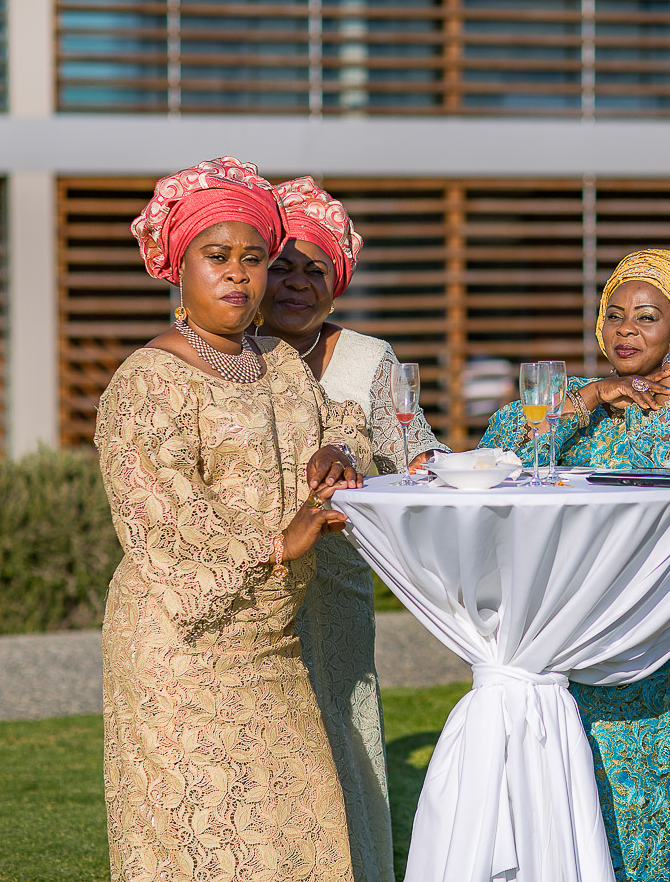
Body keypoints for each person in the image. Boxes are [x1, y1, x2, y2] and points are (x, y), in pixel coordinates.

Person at [96, 157, 371, 882]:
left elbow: (342, 418)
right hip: (179, 650)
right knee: (207, 846)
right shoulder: (149, 378)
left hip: (271, 647)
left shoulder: (278, 361)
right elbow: (157, 517)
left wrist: (337, 449)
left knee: (301, 835)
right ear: (176, 267)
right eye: (216, 258)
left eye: (255, 260)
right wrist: (281, 541)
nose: (239, 276)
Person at [480, 248, 670, 881]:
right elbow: (497, 455)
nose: (626, 330)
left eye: (649, 318)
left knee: (658, 814)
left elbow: (669, 463)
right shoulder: (576, 406)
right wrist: (589, 397)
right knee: (576, 799)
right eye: (615, 314)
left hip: (664, 640)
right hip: (570, 635)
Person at [258, 175, 446, 882]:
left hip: (336, 589)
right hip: (255, 581)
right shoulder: (230, 359)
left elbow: (413, 449)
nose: (298, 283)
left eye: (316, 270)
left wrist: (446, 465)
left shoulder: (372, 358)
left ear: (337, 283)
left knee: (343, 737)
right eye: (282, 267)